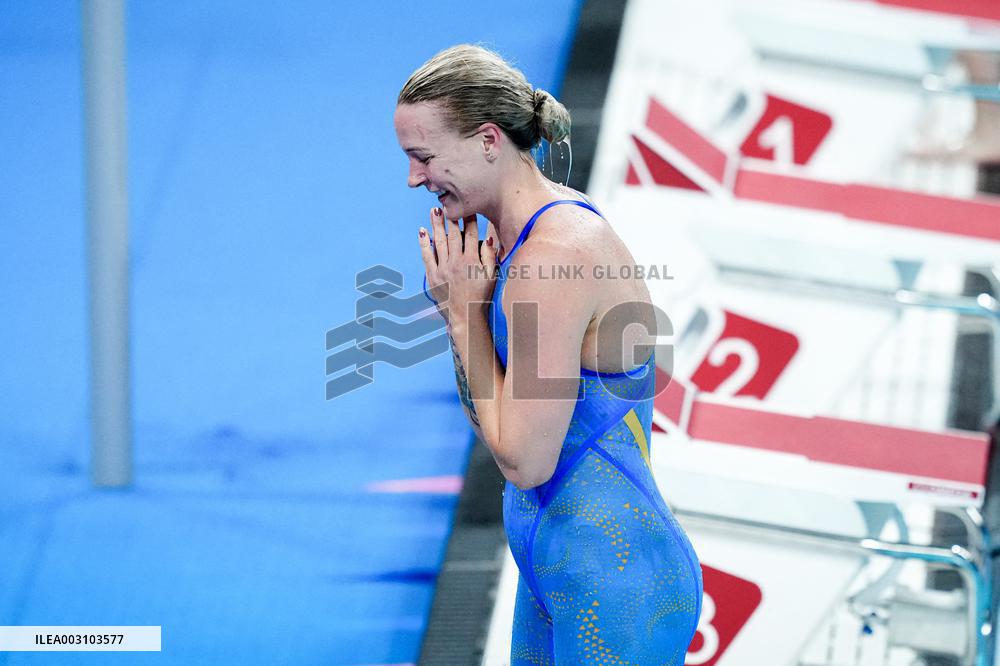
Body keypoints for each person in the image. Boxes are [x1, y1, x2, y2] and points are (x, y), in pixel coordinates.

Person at [394, 44, 702, 664]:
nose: (413, 179)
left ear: (487, 140)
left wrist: (462, 316)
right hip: (559, 572)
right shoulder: (520, 242)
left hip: (616, 586)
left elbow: (525, 461)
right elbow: (496, 416)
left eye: (423, 157)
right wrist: (470, 312)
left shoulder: (551, 258)